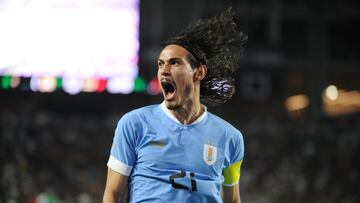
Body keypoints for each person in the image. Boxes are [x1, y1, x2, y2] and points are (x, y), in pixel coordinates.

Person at [103, 7, 247, 203]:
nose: (164, 70)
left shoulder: (231, 138)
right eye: (161, 64)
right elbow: (114, 194)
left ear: (199, 73)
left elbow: (232, 200)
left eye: (174, 63)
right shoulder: (134, 124)